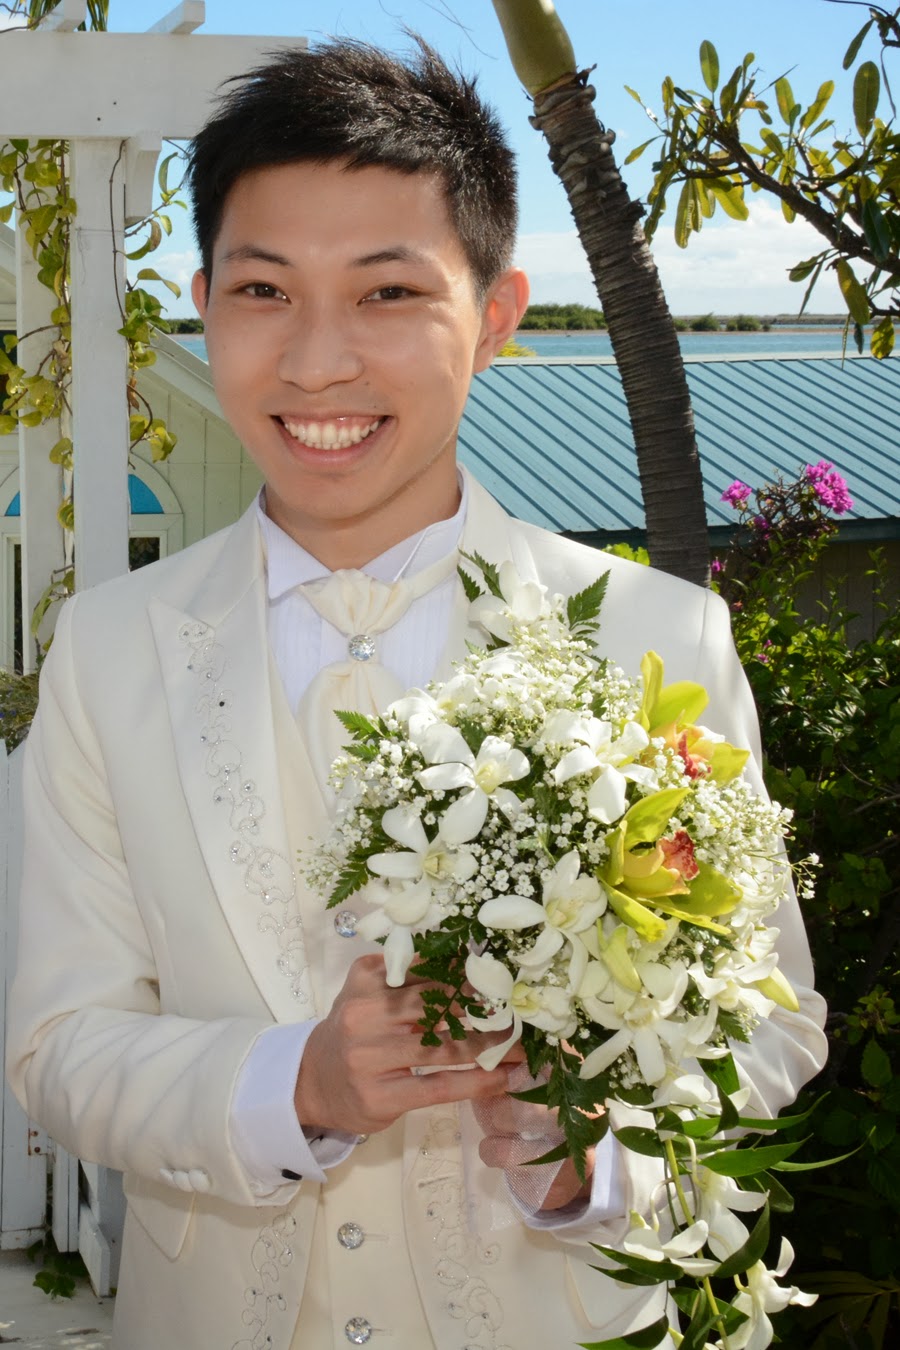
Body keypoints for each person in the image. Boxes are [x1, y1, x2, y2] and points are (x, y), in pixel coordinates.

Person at [6, 38, 827, 1350]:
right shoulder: (106, 651)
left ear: (494, 317)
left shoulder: (660, 639)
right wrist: (298, 1083)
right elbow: (55, 1037)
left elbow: (772, 1024)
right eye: (266, 290)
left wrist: (593, 1153)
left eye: (388, 291)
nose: (320, 362)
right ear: (205, 301)